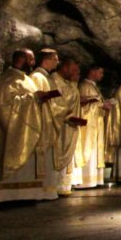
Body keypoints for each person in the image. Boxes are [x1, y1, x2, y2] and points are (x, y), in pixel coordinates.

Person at [0, 49, 51, 204]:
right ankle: (9, 196)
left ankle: (27, 195)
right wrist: (34, 97)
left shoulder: (25, 78)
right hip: (14, 130)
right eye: (31, 59)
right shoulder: (9, 78)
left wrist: (38, 98)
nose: (33, 63)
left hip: (28, 127)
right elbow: (6, 105)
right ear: (22, 59)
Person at [50, 56, 86, 196]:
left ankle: (62, 186)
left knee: (66, 154)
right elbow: (55, 104)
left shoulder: (67, 83)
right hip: (59, 125)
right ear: (65, 68)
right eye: (73, 70)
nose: (75, 73)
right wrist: (68, 116)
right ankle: (54, 187)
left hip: (70, 125)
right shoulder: (54, 81)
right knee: (56, 154)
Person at [72, 64, 108, 189]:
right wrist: (100, 105)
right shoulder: (84, 86)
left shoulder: (93, 86)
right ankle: (85, 180)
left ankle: (94, 180)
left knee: (95, 151)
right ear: (92, 71)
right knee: (88, 149)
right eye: (100, 72)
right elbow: (82, 107)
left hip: (96, 123)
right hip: (88, 126)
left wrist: (103, 105)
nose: (102, 75)